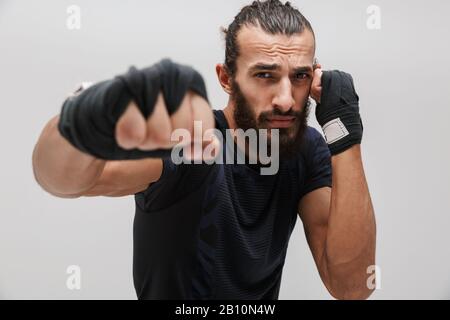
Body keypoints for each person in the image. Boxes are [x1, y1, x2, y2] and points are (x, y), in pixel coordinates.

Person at [32, 0, 376, 300]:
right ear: (226, 78)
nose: (286, 99)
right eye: (265, 76)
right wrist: (86, 117)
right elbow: (63, 182)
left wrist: (345, 133)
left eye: (299, 77)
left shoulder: (306, 149)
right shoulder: (194, 143)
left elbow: (351, 287)